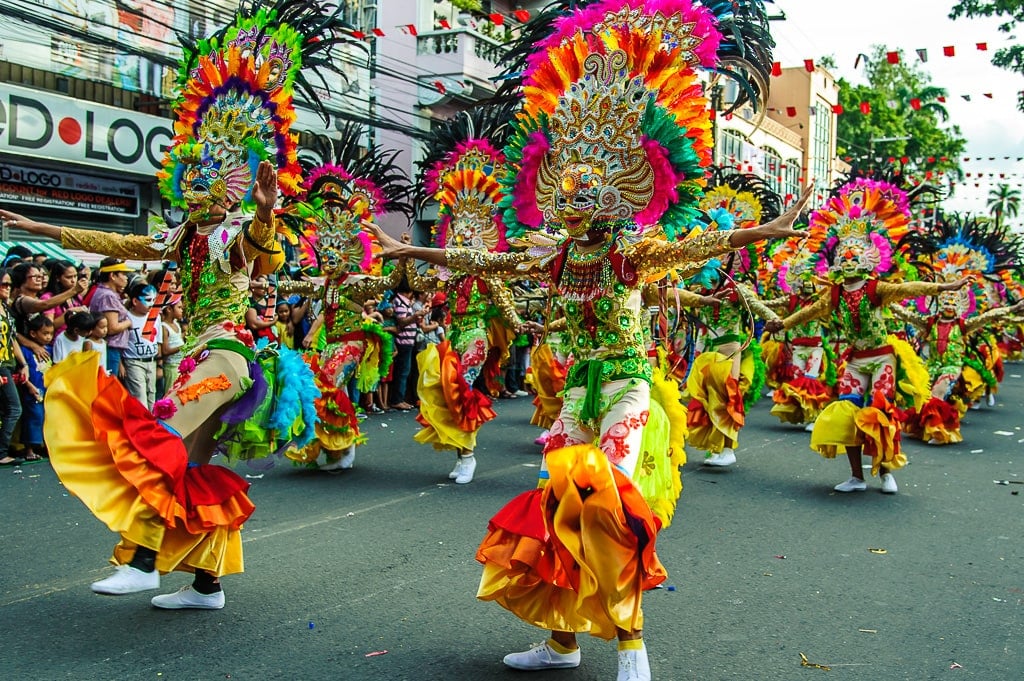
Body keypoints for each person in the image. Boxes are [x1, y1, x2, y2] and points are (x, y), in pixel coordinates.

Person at [368, 0, 807, 672]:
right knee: (558, 505)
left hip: (628, 387)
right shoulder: (552, 255)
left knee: (606, 502)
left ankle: (632, 641)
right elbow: (477, 260)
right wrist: (409, 252)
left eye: (584, 196)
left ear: (615, 197)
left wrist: (764, 232)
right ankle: (563, 640)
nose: (570, 206)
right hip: (579, 390)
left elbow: (703, 243)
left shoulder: (634, 255)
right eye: (563, 196)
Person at [0, 1, 341, 609]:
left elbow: (252, 254)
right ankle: (206, 584)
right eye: (195, 178)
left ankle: (139, 560)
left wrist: (264, 212)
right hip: (207, 359)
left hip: (227, 356)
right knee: (186, 466)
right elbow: (118, 240)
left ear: (234, 184)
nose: (202, 189)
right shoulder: (182, 236)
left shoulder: (225, 233)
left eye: (216, 180)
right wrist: (41, 227)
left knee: (154, 445)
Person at [766, 178, 970, 494]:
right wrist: (782, 323)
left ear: (867, 259)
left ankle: (885, 470)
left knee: (878, 414)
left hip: (882, 358)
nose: (848, 260)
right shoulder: (833, 294)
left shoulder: (876, 289)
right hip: (856, 361)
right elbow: (807, 313)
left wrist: (943, 288)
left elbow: (907, 289)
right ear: (835, 261)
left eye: (853, 256)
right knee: (848, 413)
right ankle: (857, 476)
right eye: (843, 256)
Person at [0, 269, 28, 466]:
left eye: (10, 284)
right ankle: (1, 452)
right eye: (4, 284)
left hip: (9, 363)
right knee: (14, 408)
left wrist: (23, 364)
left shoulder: (5, 308)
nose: (7, 288)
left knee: (7, 409)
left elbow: (12, 340)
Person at [88, 257, 134, 378]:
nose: (126, 278)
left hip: (112, 349)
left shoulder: (109, 293)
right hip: (110, 349)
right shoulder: (107, 296)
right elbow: (112, 328)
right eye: (123, 274)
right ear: (112, 275)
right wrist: (128, 322)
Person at [18, 314, 53, 462]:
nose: (48, 337)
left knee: (47, 418)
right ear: (33, 333)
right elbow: (20, 371)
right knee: (34, 417)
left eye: (51, 333)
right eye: (45, 333)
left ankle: (45, 446)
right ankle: (29, 449)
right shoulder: (24, 351)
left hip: (47, 390)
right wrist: (29, 385)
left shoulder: (50, 349)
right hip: (33, 390)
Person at [122, 282, 162, 409]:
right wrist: (120, 364)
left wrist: (159, 364)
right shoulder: (126, 317)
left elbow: (158, 340)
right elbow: (119, 342)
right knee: (140, 400)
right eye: (148, 300)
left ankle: (151, 427)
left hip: (152, 362)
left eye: (154, 300)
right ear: (135, 301)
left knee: (152, 397)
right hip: (134, 362)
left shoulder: (156, 316)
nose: (152, 304)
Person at [159, 295, 185, 395]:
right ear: (169, 309)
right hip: (171, 368)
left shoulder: (176, 323)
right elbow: (165, 351)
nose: (182, 310)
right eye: (179, 308)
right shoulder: (164, 327)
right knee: (171, 394)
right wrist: (182, 347)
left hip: (180, 365)